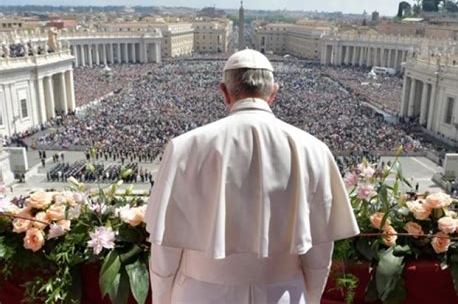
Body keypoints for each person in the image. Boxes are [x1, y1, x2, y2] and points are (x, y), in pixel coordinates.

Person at [144, 49, 360, 304]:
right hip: (283, 294)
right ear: (274, 93)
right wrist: (309, 297)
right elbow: (319, 253)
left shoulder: (184, 147)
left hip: (199, 294)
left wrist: (161, 298)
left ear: (224, 92)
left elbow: (165, 249)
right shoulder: (314, 150)